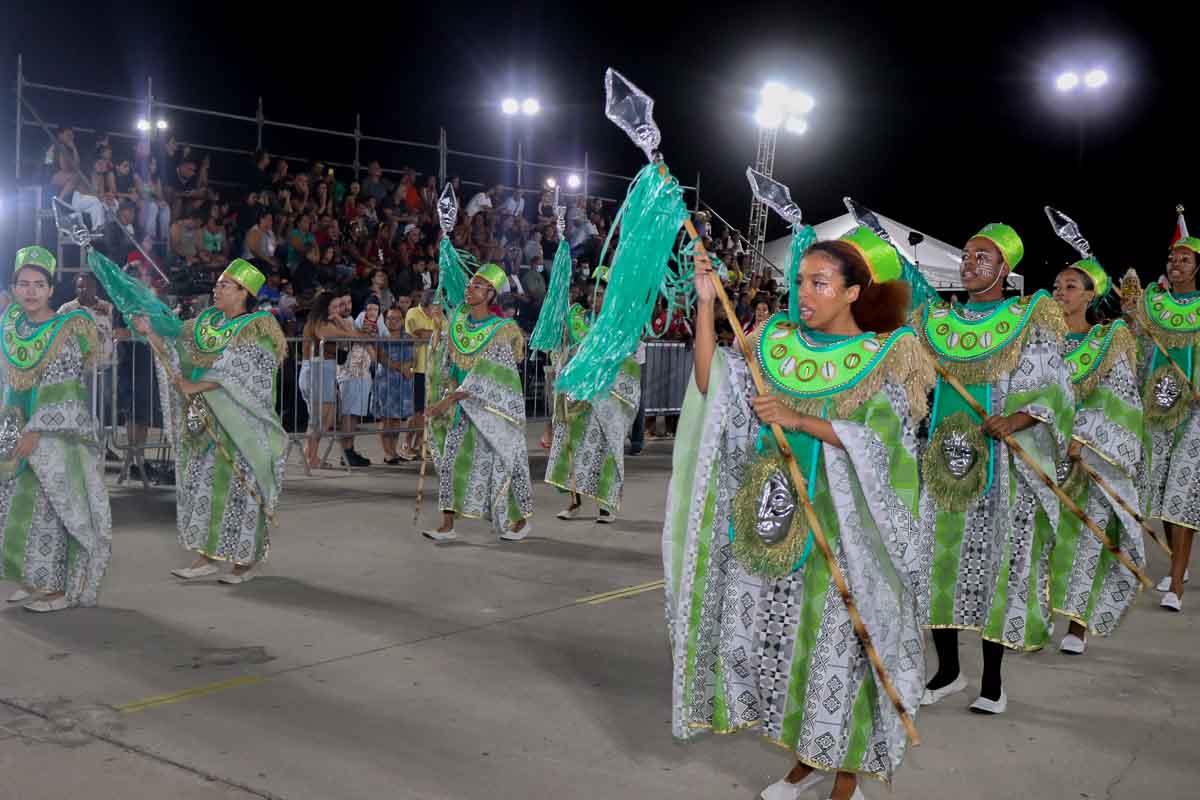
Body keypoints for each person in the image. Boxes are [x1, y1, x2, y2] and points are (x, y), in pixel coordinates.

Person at [666, 230, 931, 800]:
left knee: (842, 658)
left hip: (843, 537)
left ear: (854, 292)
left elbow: (890, 450)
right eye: (800, 281)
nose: (803, 294)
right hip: (772, 525)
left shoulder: (885, 355)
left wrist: (799, 418)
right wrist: (708, 304)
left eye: (819, 283)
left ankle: (844, 778)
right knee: (785, 653)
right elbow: (714, 388)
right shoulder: (776, 343)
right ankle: (805, 762)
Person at [914, 223, 1073, 714]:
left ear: (1005, 268)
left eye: (981, 257)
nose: (968, 263)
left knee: (993, 569)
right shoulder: (938, 322)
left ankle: (994, 683)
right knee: (939, 562)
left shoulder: (1029, 320)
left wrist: (1019, 419)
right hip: (944, 463)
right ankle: (946, 671)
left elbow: (1056, 387)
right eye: (966, 254)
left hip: (1001, 470)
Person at [131, 259, 287, 584]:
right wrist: (150, 333)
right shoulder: (207, 321)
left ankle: (243, 563)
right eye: (217, 283)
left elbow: (244, 370)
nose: (217, 289)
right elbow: (178, 352)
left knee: (241, 492)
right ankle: (205, 557)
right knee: (200, 487)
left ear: (244, 293)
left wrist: (196, 385)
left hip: (239, 426)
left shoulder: (259, 325)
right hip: (203, 423)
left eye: (225, 285)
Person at [0, 246, 111, 612]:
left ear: (51, 290)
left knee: (53, 509)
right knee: (16, 506)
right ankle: (32, 577)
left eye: (39, 284)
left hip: (54, 436)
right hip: (10, 429)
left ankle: (58, 590)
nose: (30, 291)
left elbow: (63, 388)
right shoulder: (10, 325)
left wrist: (36, 431)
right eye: (23, 284)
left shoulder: (64, 328)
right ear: (14, 288)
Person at [1048, 258, 1145, 653]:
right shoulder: (1036, 340)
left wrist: (1084, 438)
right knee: (1044, 540)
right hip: (1041, 448)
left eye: (1070, 286)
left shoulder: (1108, 341)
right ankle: (1039, 615)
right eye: (1057, 285)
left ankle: (1077, 625)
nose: (1060, 292)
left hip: (1088, 455)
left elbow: (1120, 400)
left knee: (1086, 537)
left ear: (1091, 295)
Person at [422, 264, 532, 542]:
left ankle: (519, 521)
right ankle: (447, 526)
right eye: (470, 285)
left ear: (491, 294)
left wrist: (448, 400)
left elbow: (490, 376)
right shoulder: (458, 324)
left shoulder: (501, 330)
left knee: (501, 467)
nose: (470, 290)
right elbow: (444, 362)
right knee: (448, 464)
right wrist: (437, 334)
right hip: (461, 412)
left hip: (491, 413)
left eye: (478, 286)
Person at [1127, 237, 1200, 611]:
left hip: (1194, 416)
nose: (1176, 264)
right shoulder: (1152, 305)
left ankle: (1176, 583)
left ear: (1198, 267)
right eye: (1172, 258)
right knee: (1162, 494)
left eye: (1185, 259)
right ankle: (1178, 564)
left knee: (1182, 496)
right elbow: (1140, 353)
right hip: (1157, 409)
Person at [544, 269, 639, 522]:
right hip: (577, 398)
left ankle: (605, 506)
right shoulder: (576, 319)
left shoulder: (618, 325)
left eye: (602, 293)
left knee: (603, 452)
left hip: (605, 400)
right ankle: (574, 503)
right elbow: (563, 353)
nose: (597, 297)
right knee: (573, 450)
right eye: (594, 292)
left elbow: (627, 363)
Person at [373, 302, 415, 465]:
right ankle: (387, 452)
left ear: (403, 320)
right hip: (385, 380)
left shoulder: (408, 338)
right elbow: (381, 357)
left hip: (402, 382)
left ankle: (394, 449)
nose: (393, 322)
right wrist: (400, 367)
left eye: (397, 318)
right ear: (385, 320)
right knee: (386, 418)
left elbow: (413, 358)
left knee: (397, 419)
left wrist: (408, 367)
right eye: (390, 318)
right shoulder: (382, 338)